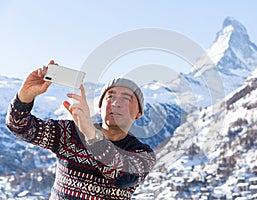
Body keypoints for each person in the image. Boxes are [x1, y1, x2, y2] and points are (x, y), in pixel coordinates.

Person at [6, 60, 156, 199]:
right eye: (110, 96)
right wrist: (25, 96)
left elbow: (123, 178)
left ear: (138, 114)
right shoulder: (70, 132)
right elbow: (19, 126)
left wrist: (91, 135)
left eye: (126, 98)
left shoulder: (142, 154)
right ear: (100, 106)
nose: (116, 103)